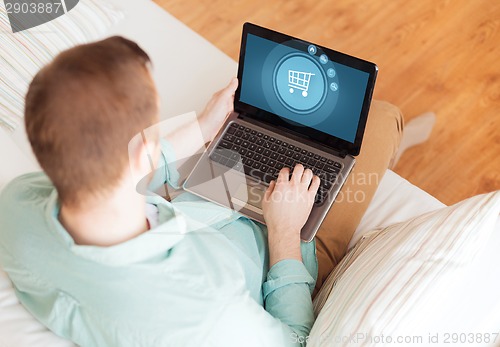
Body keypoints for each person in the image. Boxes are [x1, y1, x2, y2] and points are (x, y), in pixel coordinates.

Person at [0, 36, 403, 346]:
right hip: (284, 242)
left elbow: (112, 173)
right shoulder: (208, 308)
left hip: (200, 198)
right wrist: (284, 232)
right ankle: (403, 136)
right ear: (144, 149)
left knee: (252, 127)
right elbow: (295, 339)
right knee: (382, 118)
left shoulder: (16, 206)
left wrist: (202, 128)